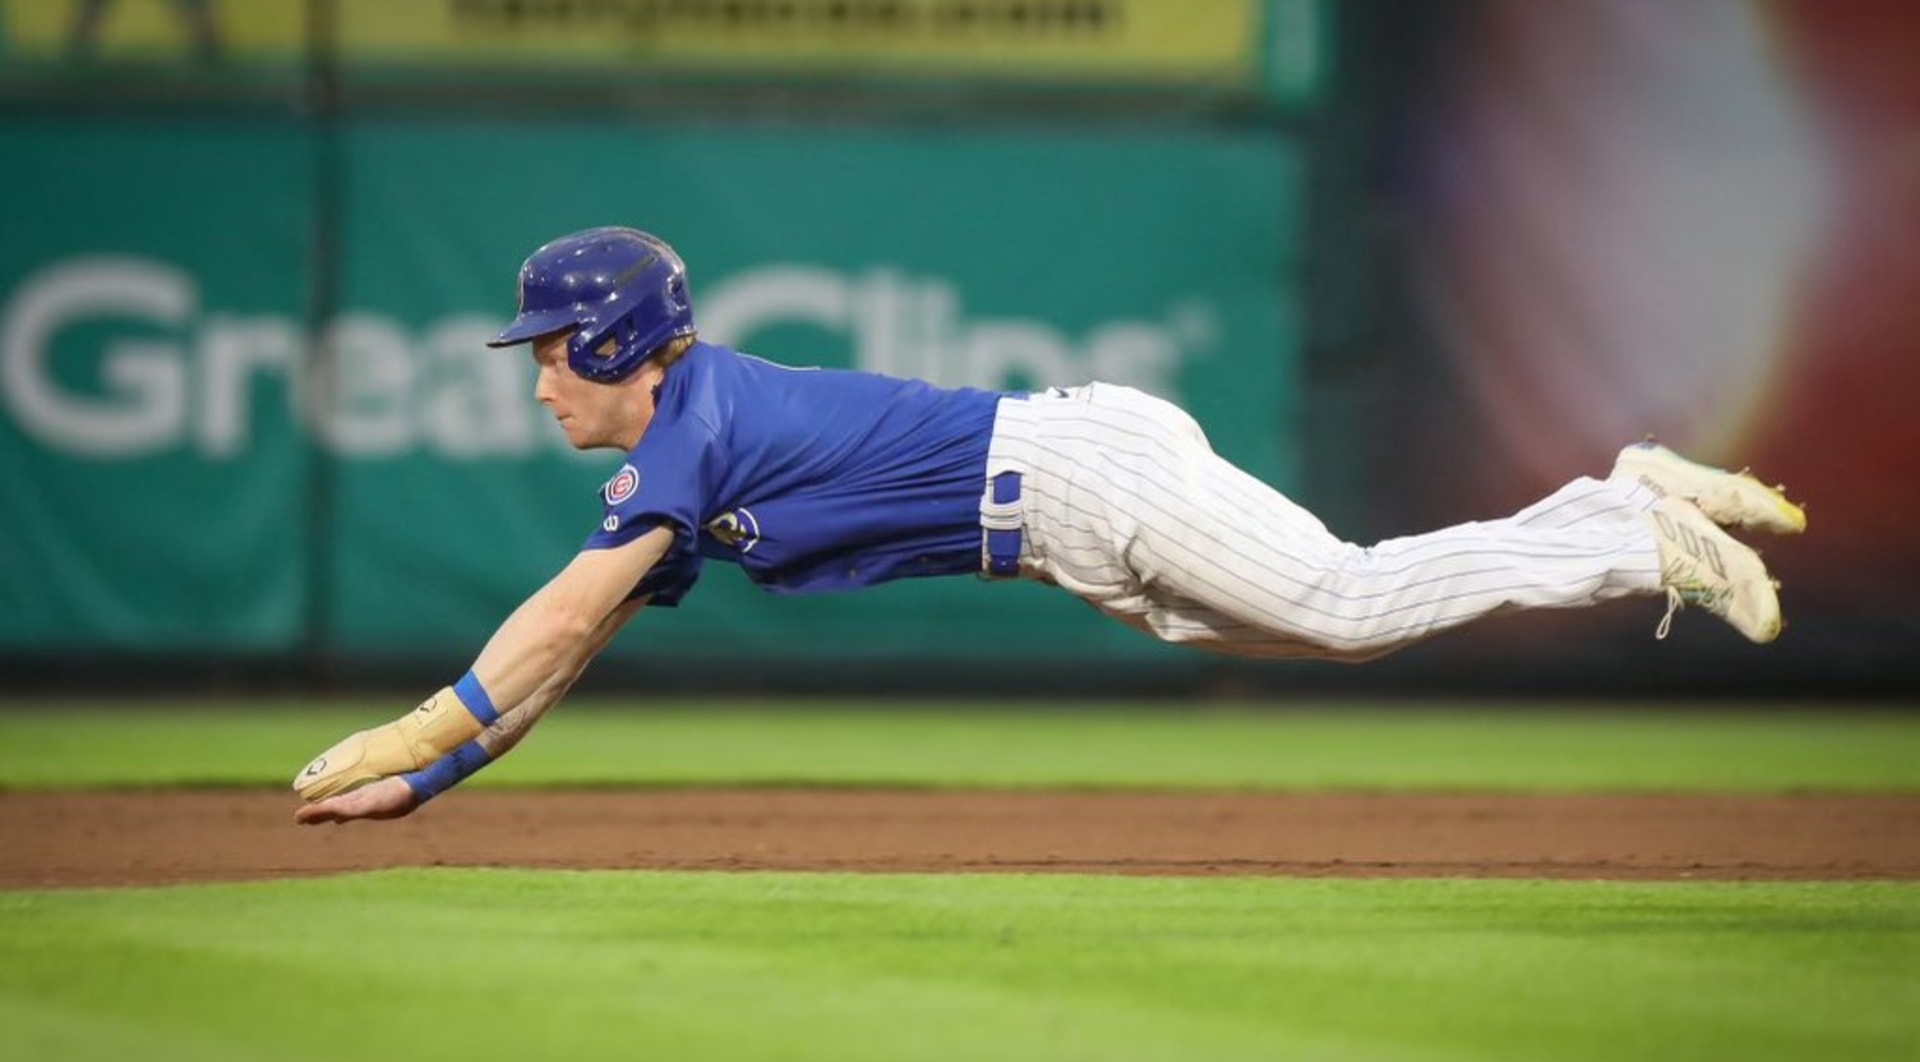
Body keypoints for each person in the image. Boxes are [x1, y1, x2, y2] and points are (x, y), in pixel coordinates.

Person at [292, 226, 1806, 824]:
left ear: (620, 345)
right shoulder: (686, 449)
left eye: (553, 347)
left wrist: (427, 720)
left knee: (1346, 604)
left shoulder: (691, 429)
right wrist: (441, 778)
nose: (539, 376)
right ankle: (1623, 498)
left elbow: (557, 615)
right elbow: (583, 647)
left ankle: (1633, 536)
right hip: (1071, 523)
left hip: (1081, 478)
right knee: (1342, 623)